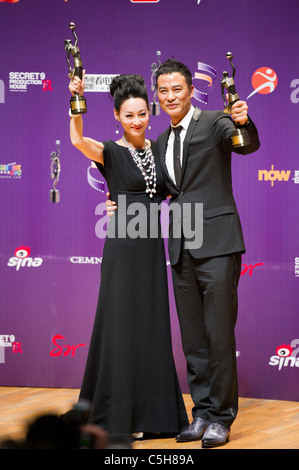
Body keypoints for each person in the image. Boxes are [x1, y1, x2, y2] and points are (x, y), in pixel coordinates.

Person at [107, 58, 260, 447]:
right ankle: (202, 414)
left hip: (219, 244)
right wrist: (120, 203)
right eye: (164, 90)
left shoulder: (214, 122)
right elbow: (155, 191)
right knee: (193, 339)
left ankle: (222, 417)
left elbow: (244, 145)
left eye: (177, 88)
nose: (171, 96)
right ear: (157, 96)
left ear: (190, 90)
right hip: (180, 243)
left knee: (218, 335)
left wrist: (242, 122)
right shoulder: (159, 141)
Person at [63, 72, 189, 437]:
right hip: (121, 250)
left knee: (150, 327)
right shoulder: (109, 150)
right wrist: (76, 101)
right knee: (120, 328)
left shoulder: (161, 148)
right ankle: (118, 415)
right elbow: (75, 139)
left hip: (151, 249)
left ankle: (154, 417)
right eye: (128, 115)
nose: (136, 121)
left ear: (150, 113)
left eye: (141, 114)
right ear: (117, 117)